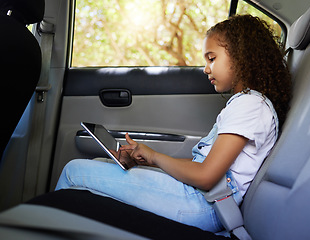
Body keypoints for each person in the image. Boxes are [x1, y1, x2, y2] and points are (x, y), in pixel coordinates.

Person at [55, 15, 292, 233]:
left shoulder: (250, 105)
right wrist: (148, 158)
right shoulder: (248, 103)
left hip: (203, 205)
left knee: (74, 172)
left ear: (243, 56)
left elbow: (207, 176)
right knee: (99, 164)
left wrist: (156, 157)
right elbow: (205, 166)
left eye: (212, 58)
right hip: (202, 199)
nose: (205, 68)